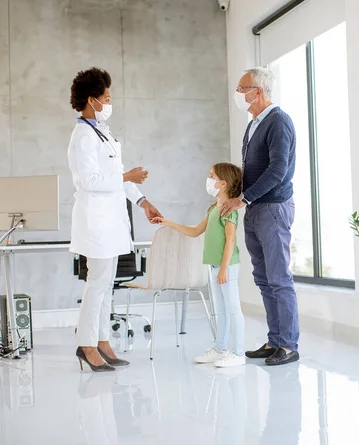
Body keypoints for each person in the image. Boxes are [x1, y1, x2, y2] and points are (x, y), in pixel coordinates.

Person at [68, 67, 162, 372]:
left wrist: (143, 201)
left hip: (110, 220)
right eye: (106, 97)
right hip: (95, 222)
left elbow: (119, 179)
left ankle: (103, 341)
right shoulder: (82, 136)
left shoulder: (102, 133)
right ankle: (86, 344)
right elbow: (89, 180)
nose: (110, 102)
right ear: (92, 100)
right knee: (97, 284)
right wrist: (125, 175)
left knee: (106, 284)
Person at [220, 67, 300, 366]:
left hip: (273, 208)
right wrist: (229, 197)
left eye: (243, 88)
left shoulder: (279, 121)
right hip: (254, 208)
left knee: (279, 278)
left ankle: (288, 345)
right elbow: (251, 169)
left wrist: (244, 198)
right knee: (264, 278)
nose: (238, 93)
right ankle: (275, 340)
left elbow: (278, 170)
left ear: (259, 91)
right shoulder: (254, 123)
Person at [154, 163, 246, 368]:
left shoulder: (228, 210)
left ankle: (239, 353)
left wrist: (223, 268)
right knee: (220, 310)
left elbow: (231, 240)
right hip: (215, 266)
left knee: (232, 308)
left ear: (222, 183)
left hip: (227, 267)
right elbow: (195, 231)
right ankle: (220, 348)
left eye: (211, 176)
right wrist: (167, 222)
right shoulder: (214, 209)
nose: (208, 179)